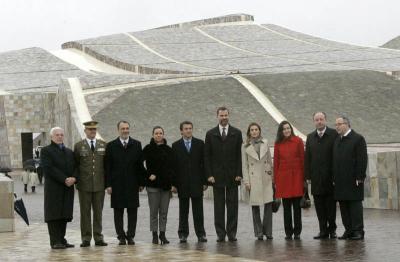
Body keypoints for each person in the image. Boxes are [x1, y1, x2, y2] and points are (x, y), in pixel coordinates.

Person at [204, 106, 243, 242]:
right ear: (217, 116)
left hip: (233, 175)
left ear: (229, 115)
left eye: (226, 115)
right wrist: (209, 175)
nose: (224, 117)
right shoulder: (210, 134)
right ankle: (220, 233)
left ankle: (232, 233)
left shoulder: (237, 133)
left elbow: (240, 155)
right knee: (219, 207)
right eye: (221, 115)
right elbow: (207, 156)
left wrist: (239, 173)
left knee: (233, 206)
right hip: (217, 177)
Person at [105, 120, 145, 245]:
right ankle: (121, 236)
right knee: (118, 211)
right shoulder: (111, 145)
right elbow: (108, 167)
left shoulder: (137, 144)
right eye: (123, 128)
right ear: (118, 130)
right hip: (117, 184)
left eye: (127, 128)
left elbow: (140, 166)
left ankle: (131, 235)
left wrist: (141, 182)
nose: (125, 130)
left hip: (133, 183)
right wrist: (108, 184)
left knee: (133, 211)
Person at [172, 121, 207, 243]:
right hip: (182, 184)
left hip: (197, 182)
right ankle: (182, 234)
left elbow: (204, 164)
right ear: (181, 131)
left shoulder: (200, 144)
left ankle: (201, 234)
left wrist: (204, 181)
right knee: (183, 211)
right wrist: (174, 184)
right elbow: (174, 167)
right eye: (186, 129)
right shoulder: (175, 145)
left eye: (190, 128)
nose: (188, 130)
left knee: (198, 211)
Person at [333, 115, 367, 240]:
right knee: (343, 207)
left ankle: (358, 231)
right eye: (336, 124)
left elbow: (362, 159)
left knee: (355, 206)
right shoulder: (337, 140)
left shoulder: (358, 139)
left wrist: (360, 177)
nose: (337, 127)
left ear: (347, 124)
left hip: (354, 180)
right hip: (340, 181)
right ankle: (349, 230)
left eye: (339, 124)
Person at [41, 127, 76, 249]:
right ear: (51, 137)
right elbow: (49, 168)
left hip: (67, 188)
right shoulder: (46, 151)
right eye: (57, 135)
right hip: (54, 188)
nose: (60, 137)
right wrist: (64, 179)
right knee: (54, 214)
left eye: (61, 134)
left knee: (64, 214)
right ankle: (55, 241)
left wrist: (74, 178)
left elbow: (75, 167)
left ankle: (62, 239)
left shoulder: (69, 152)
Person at [74, 121, 108, 247]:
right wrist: (77, 181)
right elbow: (76, 165)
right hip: (84, 185)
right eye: (90, 130)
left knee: (98, 212)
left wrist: (107, 183)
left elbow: (106, 166)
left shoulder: (103, 145)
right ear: (85, 131)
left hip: (99, 185)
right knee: (85, 212)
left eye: (94, 130)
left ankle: (98, 237)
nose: (92, 132)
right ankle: (86, 238)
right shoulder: (78, 146)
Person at [305, 112, 338, 239]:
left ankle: (332, 230)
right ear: (314, 121)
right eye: (316, 120)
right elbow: (307, 157)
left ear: (325, 120)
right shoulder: (310, 137)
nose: (319, 121)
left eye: (321, 119)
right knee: (319, 207)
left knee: (331, 206)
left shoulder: (333, 134)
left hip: (330, 178)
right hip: (316, 178)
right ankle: (323, 230)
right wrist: (307, 176)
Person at [143, 126, 175, 245]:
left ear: (163, 135)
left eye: (160, 133)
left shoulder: (168, 149)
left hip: (165, 186)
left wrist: (172, 182)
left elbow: (173, 168)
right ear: (152, 135)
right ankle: (154, 235)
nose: (158, 135)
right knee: (153, 212)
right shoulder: (147, 148)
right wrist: (148, 175)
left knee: (164, 212)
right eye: (156, 133)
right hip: (152, 186)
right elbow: (139, 164)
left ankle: (162, 234)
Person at [242, 122, 274, 240]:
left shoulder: (265, 143)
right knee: (255, 206)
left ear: (259, 131)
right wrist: (246, 181)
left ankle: (268, 231)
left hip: (266, 177)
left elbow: (270, 161)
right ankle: (259, 232)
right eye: (252, 130)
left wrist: (272, 176)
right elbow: (244, 165)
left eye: (256, 129)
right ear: (249, 132)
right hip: (253, 178)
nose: (254, 131)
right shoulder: (245, 146)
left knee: (268, 205)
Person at [273, 120, 305, 240]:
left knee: (297, 207)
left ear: (291, 129)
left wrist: (304, 179)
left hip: (296, 177)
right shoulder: (278, 144)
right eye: (284, 129)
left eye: (288, 128)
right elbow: (276, 163)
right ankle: (288, 232)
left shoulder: (298, 141)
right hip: (283, 178)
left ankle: (297, 232)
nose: (286, 130)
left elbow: (303, 159)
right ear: (281, 131)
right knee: (286, 208)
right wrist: (275, 181)